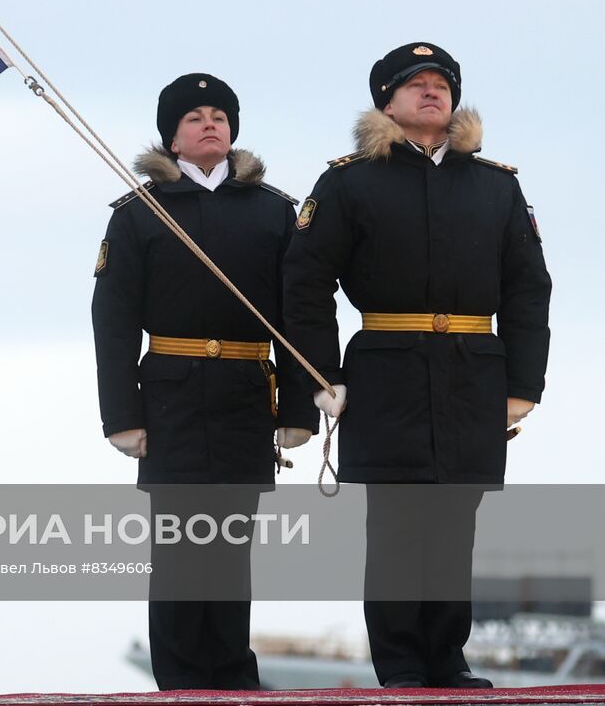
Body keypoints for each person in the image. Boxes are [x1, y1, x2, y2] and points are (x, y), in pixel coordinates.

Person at [283, 43, 551, 689]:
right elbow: (305, 279)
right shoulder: (348, 182)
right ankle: (402, 666)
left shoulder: (497, 186)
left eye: (441, 84)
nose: (432, 92)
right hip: (386, 374)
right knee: (399, 527)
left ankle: (447, 662)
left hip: (473, 374)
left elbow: (527, 286)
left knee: (456, 526)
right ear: (388, 100)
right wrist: (323, 375)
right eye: (416, 84)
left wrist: (524, 385)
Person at [91, 73, 317, 690]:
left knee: (231, 546)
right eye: (194, 116)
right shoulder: (138, 214)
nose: (209, 123)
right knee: (179, 548)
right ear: (172, 136)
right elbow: (111, 324)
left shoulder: (275, 212)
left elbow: (299, 315)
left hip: (247, 393)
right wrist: (122, 416)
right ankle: (180, 682)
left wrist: (301, 407)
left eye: (219, 114)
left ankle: (232, 679)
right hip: (170, 399)